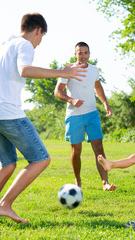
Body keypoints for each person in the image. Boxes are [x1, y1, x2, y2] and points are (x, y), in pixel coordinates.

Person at [0, 13, 86, 224]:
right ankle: (4, 205)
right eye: (41, 38)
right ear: (38, 31)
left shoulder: (0, 45)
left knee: (7, 165)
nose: (39, 43)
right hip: (9, 113)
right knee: (41, 159)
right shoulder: (24, 45)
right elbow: (24, 70)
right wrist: (64, 72)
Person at [54, 42, 116, 191]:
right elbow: (57, 91)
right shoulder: (68, 69)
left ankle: (105, 182)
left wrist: (105, 103)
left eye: (85, 53)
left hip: (92, 113)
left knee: (99, 148)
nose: (83, 56)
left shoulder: (94, 70)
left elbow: (97, 87)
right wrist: (71, 100)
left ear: (89, 54)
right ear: (75, 54)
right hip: (74, 115)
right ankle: (78, 181)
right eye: (80, 53)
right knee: (76, 151)